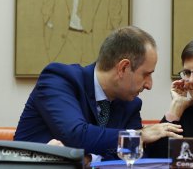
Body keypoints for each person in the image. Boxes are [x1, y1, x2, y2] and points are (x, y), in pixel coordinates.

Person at [14, 26, 183, 160]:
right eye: (146, 74)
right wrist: (138, 135)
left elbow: (133, 157)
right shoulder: (59, 79)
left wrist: (89, 158)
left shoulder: (130, 104)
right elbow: (77, 134)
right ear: (123, 68)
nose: (149, 85)